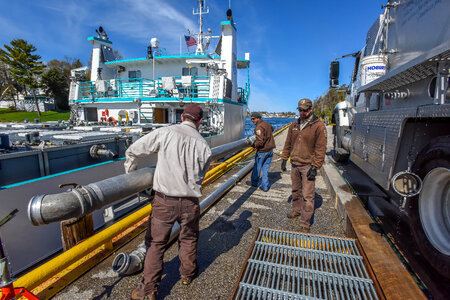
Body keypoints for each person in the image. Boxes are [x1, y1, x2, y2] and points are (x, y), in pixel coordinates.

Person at [125, 104, 212, 300]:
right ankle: (187, 275)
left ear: (182, 117)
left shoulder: (165, 133)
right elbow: (201, 175)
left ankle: (148, 290)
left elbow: (133, 150)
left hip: (164, 201)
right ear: (199, 121)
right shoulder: (204, 145)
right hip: (191, 202)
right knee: (189, 239)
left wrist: (131, 177)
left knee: (156, 244)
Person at [281, 98, 327, 233]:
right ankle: (296, 209)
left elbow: (321, 148)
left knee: (308, 195)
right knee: (296, 190)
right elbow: (288, 143)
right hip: (294, 164)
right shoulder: (294, 125)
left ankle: (305, 223)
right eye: (300, 110)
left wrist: (315, 166)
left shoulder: (319, 126)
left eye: (305, 110)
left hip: (308, 165)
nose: (302, 112)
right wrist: (284, 158)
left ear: (311, 109)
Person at [247, 112, 275, 192]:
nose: (252, 120)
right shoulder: (266, 123)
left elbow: (260, 142)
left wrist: (252, 145)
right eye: (251, 119)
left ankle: (254, 183)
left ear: (258, 118)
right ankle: (265, 186)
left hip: (262, 151)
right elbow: (272, 129)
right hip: (270, 150)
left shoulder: (258, 127)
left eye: (253, 118)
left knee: (257, 167)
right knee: (266, 169)